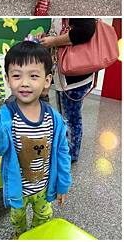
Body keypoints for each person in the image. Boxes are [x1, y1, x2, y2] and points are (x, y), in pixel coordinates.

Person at [0, 41, 71, 238]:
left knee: (43, 218)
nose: (24, 83)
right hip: (18, 190)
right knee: (17, 220)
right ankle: (20, 235)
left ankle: (36, 236)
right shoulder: (6, 117)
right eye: (16, 75)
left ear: (47, 80)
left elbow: (62, 153)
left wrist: (63, 184)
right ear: (7, 79)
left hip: (43, 188)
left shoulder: (54, 118)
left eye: (33, 76)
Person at [41, 18, 96, 162]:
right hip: (64, 76)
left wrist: (54, 41)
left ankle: (71, 154)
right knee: (65, 116)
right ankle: (65, 149)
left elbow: (86, 30)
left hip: (75, 77)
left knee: (72, 118)